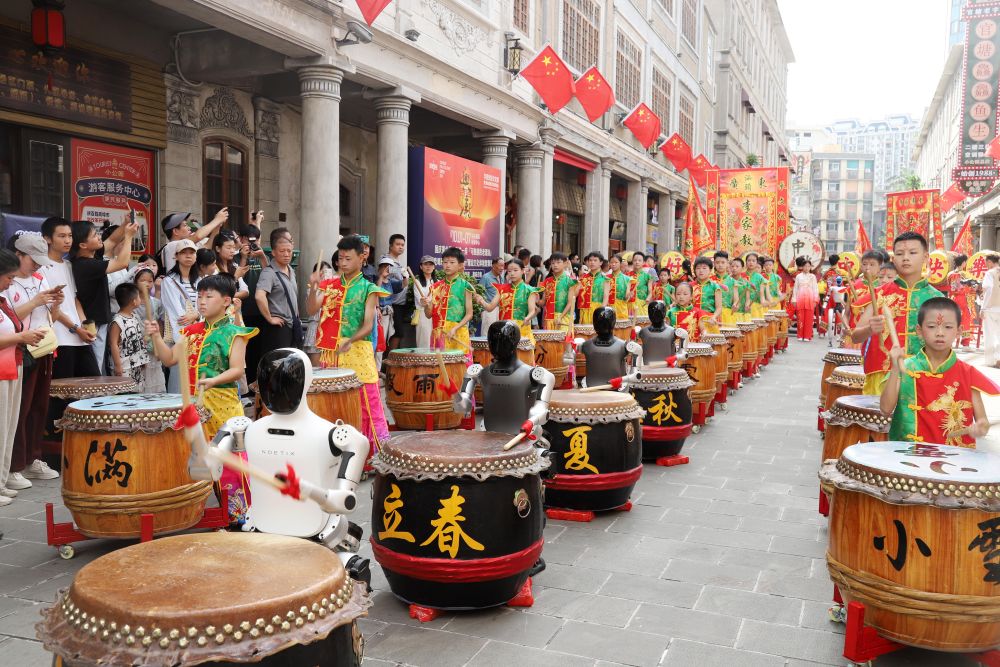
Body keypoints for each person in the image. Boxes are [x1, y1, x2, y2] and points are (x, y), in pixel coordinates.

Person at [149, 273, 257, 523]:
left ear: (226, 301)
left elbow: (237, 370)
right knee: (195, 458)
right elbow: (169, 359)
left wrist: (212, 381)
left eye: (209, 296)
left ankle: (239, 515)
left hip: (222, 405)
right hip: (194, 407)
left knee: (228, 459)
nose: (202, 301)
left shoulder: (235, 333)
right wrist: (156, 336)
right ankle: (192, 511)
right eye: (199, 296)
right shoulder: (190, 332)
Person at [309, 235, 390, 452]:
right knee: (334, 401)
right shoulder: (329, 285)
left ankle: (373, 454)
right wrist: (313, 288)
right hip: (331, 353)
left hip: (358, 351)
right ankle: (336, 452)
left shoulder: (368, 288)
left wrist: (350, 340)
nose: (342, 263)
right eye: (340, 259)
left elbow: (368, 325)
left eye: (348, 259)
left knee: (367, 402)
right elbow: (311, 309)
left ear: (362, 258)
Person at [881, 297, 1000, 447]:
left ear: (959, 331)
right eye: (931, 326)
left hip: (952, 456)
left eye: (948, 327)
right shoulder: (906, 367)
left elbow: (983, 422)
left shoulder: (967, 373)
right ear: (919, 331)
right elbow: (885, 409)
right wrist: (895, 368)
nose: (940, 333)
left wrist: (980, 428)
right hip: (909, 453)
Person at [852, 231, 941, 394]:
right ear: (893, 259)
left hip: (924, 374)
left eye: (912, 252)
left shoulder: (938, 299)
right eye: (900, 254)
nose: (905, 258)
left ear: (925, 257)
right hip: (882, 376)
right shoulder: (879, 294)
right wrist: (870, 329)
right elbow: (855, 336)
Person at [5, 233, 62, 487]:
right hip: (20, 349)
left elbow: (51, 317)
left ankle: (32, 459)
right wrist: (36, 301)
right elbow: (9, 317)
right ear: (18, 254)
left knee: (39, 407)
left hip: (44, 347)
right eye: (33, 260)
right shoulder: (8, 281)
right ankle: (13, 466)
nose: (37, 266)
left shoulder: (40, 278)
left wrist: (56, 304)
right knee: (19, 409)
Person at [0, 249, 47, 505]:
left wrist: (22, 336)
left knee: (8, 426)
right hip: (2, 368)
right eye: (8, 277)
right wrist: (21, 337)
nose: (11, 282)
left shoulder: (3, 301)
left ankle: (1, 480)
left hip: (12, 365)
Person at [70, 218, 139, 373]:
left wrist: (125, 224)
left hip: (96, 321)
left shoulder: (90, 257)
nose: (99, 237)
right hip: (91, 324)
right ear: (83, 245)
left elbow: (112, 240)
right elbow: (122, 263)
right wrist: (128, 237)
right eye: (94, 235)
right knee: (95, 367)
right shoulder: (85, 265)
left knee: (97, 364)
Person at [109, 282, 165, 393]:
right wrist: (117, 365)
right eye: (138, 296)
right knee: (124, 392)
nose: (140, 299)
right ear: (134, 301)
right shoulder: (117, 321)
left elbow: (139, 339)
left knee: (137, 391)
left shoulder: (134, 316)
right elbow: (113, 344)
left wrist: (142, 359)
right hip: (124, 367)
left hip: (136, 365)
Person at [160, 239, 200, 391]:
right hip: (182, 335)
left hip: (198, 334)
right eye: (184, 253)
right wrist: (185, 336)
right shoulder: (169, 281)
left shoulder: (200, 280)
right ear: (176, 256)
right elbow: (175, 312)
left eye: (191, 253)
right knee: (179, 377)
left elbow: (203, 307)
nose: (188, 256)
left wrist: (196, 315)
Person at [423, 246, 474, 356]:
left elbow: (469, 314)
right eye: (445, 262)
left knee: (460, 364)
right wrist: (426, 305)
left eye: (452, 262)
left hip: (458, 332)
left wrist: (455, 328)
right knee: (440, 365)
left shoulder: (466, 286)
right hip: (438, 333)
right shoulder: (435, 287)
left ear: (460, 265)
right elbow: (428, 315)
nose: (447, 265)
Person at [255, 228, 300, 351]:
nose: (286, 254)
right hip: (278, 328)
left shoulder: (290, 269)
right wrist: (270, 318)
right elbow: (259, 296)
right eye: (282, 251)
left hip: (292, 325)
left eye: (289, 251)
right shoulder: (268, 272)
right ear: (274, 252)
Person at [477, 258, 541, 344]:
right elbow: (490, 308)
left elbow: (532, 310)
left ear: (522, 271)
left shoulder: (529, 290)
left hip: (522, 329)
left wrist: (528, 318)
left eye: (515, 270)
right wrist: (481, 300)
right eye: (509, 271)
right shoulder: (501, 289)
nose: (512, 273)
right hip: (504, 330)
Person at [158, 208, 228, 274]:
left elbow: (207, 247)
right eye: (185, 225)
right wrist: (217, 220)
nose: (189, 228)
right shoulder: (171, 246)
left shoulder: (189, 245)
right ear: (175, 231)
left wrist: (217, 225)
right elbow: (198, 236)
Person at [381, 234, 411, 351]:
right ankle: (389, 359)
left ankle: (390, 358)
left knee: (396, 332)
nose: (401, 247)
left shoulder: (398, 261)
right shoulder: (386, 260)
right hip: (391, 304)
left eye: (402, 245)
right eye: (398, 244)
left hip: (400, 303)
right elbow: (387, 276)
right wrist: (403, 275)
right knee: (395, 332)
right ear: (390, 246)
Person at [540, 252, 579, 337]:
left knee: (563, 342)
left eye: (558, 262)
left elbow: (570, 303)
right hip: (549, 318)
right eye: (553, 263)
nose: (555, 265)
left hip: (564, 317)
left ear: (565, 264)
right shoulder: (547, 281)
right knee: (550, 343)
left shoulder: (570, 281)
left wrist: (560, 317)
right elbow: (543, 303)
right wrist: (535, 297)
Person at [947, 253, 977, 349]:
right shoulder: (964, 274)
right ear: (963, 262)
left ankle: (950, 341)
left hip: (952, 299)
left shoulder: (950, 274)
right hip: (963, 299)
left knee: (952, 320)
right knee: (965, 320)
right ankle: (965, 343)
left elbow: (950, 287)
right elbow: (969, 288)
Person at [212, 231, 250, 300]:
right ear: (218, 249)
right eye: (228, 248)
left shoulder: (234, 265)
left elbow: (246, 291)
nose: (232, 251)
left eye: (234, 247)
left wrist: (229, 295)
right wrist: (235, 277)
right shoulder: (213, 268)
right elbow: (219, 292)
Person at [575, 252, 609, 325]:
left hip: (597, 310)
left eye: (595, 260)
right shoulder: (583, 278)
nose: (592, 262)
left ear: (601, 263)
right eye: (590, 260)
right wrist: (578, 283)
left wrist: (601, 312)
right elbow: (575, 294)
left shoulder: (605, 279)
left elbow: (606, 297)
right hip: (584, 310)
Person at [792, 256, 819, 341]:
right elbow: (795, 288)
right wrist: (794, 299)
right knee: (800, 317)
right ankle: (800, 335)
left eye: (808, 266)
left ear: (810, 267)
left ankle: (807, 336)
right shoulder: (798, 276)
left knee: (809, 318)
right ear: (802, 267)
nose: (807, 268)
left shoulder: (813, 276)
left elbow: (815, 288)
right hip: (800, 298)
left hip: (810, 299)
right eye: (805, 266)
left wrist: (815, 299)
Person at [981, 254, 1000, 367]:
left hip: (991, 308)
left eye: (986, 263)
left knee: (989, 334)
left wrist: (983, 307)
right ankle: (999, 358)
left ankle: (989, 360)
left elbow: (989, 289)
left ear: (989, 261)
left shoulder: (990, 273)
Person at [478, 256, 505, 335]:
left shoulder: (501, 278)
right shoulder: (486, 277)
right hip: (488, 310)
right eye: (500, 266)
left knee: (497, 333)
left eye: (503, 266)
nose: (502, 268)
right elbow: (479, 292)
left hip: (499, 310)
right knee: (487, 333)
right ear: (493, 266)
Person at [607, 254, 633, 322]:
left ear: (620, 264)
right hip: (608, 308)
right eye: (611, 262)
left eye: (616, 262)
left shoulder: (627, 279)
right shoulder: (605, 278)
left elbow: (626, 297)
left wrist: (629, 295)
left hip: (621, 309)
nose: (613, 264)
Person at [628, 251, 654, 318]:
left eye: (639, 260)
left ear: (644, 262)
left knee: (642, 323)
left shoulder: (648, 276)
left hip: (642, 304)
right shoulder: (627, 275)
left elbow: (650, 292)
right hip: (629, 304)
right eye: (635, 260)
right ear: (632, 261)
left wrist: (648, 298)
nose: (637, 262)